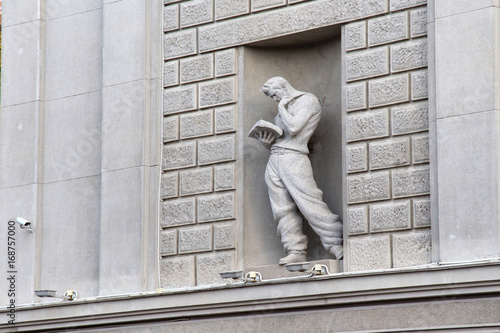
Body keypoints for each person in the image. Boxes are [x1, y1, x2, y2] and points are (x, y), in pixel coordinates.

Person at [254, 77, 343, 265]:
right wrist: (267, 143)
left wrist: (282, 109)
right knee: (282, 209)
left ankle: (336, 242)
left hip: (294, 158)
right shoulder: (283, 108)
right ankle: (295, 249)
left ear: (283, 87)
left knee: (309, 202)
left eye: (274, 94)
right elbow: (282, 136)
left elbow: (294, 128)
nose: (275, 99)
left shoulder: (307, 101)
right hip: (275, 159)